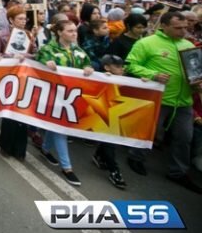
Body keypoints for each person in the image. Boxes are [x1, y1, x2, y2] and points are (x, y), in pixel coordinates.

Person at [125, 12, 202, 193]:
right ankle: (136, 157)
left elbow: (196, 71)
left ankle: (178, 172)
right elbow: (130, 65)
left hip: (183, 101)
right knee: (149, 132)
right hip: (158, 98)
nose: (183, 31)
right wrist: (153, 75)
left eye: (185, 27)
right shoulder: (146, 43)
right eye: (178, 28)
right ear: (164, 26)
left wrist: (197, 82)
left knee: (184, 138)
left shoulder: (189, 45)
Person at [37, 19, 94, 186]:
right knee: (61, 128)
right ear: (59, 32)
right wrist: (45, 63)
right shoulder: (48, 49)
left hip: (71, 97)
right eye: (69, 31)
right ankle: (67, 167)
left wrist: (90, 68)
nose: (74, 33)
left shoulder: (79, 51)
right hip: (53, 95)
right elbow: (38, 59)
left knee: (56, 126)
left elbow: (88, 63)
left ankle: (45, 149)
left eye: (75, 31)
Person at [0, 5, 37, 160]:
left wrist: (25, 56)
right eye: (20, 19)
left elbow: (35, 54)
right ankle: (5, 145)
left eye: (25, 19)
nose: (23, 22)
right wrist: (7, 57)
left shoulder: (29, 35)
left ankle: (20, 149)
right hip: (8, 78)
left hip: (24, 77)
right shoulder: (1, 35)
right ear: (11, 20)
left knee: (22, 112)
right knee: (9, 112)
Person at [91, 55, 128, 189]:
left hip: (116, 114)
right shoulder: (101, 78)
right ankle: (114, 171)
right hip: (102, 115)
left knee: (109, 141)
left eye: (122, 66)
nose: (122, 69)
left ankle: (98, 156)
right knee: (109, 142)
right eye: (117, 67)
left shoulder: (127, 79)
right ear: (107, 68)